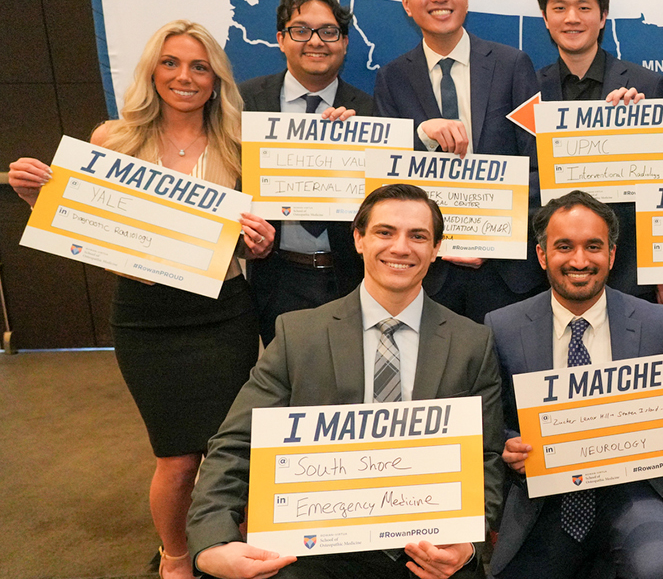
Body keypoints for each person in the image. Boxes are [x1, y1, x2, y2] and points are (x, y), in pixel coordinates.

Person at [7, 20, 275, 579]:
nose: (185, 76)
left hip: (223, 312)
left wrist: (262, 240)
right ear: (153, 71)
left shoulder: (240, 144)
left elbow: (257, 233)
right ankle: (177, 557)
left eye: (199, 67)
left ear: (216, 79)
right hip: (147, 320)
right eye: (172, 63)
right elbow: (81, 222)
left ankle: (229, 545)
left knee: (229, 447)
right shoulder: (112, 141)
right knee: (176, 458)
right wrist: (37, 197)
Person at [186, 183, 505, 579]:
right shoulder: (298, 335)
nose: (401, 248)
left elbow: (488, 456)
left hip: (431, 554)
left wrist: (469, 544)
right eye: (385, 232)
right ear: (358, 238)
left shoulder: (472, 342)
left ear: (436, 247)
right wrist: (212, 543)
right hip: (317, 554)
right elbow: (235, 444)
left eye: (418, 236)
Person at [484, 190, 663, 579]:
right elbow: (493, 427)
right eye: (565, 246)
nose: (580, 260)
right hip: (544, 500)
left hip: (634, 493)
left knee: (660, 567)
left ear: (612, 255)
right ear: (543, 255)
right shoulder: (503, 327)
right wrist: (511, 447)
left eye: (593, 247)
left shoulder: (655, 325)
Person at [373, 0, 543, 324]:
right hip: (427, 276)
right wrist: (419, 134)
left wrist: (490, 235)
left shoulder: (512, 65)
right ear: (405, 1)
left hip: (505, 273)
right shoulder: (393, 78)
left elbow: (541, 167)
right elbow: (385, 181)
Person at [241, 0, 373, 345]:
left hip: (352, 280)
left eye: (329, 32)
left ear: (344, 42)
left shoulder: (370, 112)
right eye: (301, 30)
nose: (316, 41)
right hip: (277, 279)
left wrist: (358, 145)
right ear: (281, 39)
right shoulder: (245, 102)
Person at [535, 0, 663, 302]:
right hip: (548, 271)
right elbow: (523, 175)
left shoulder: (646, 86)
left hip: (629, 268)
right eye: (560, 8)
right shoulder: (527, 89)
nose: (572, 18)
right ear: (545, 18)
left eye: (584, 7)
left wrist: (638, 129)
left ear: (603, 16)